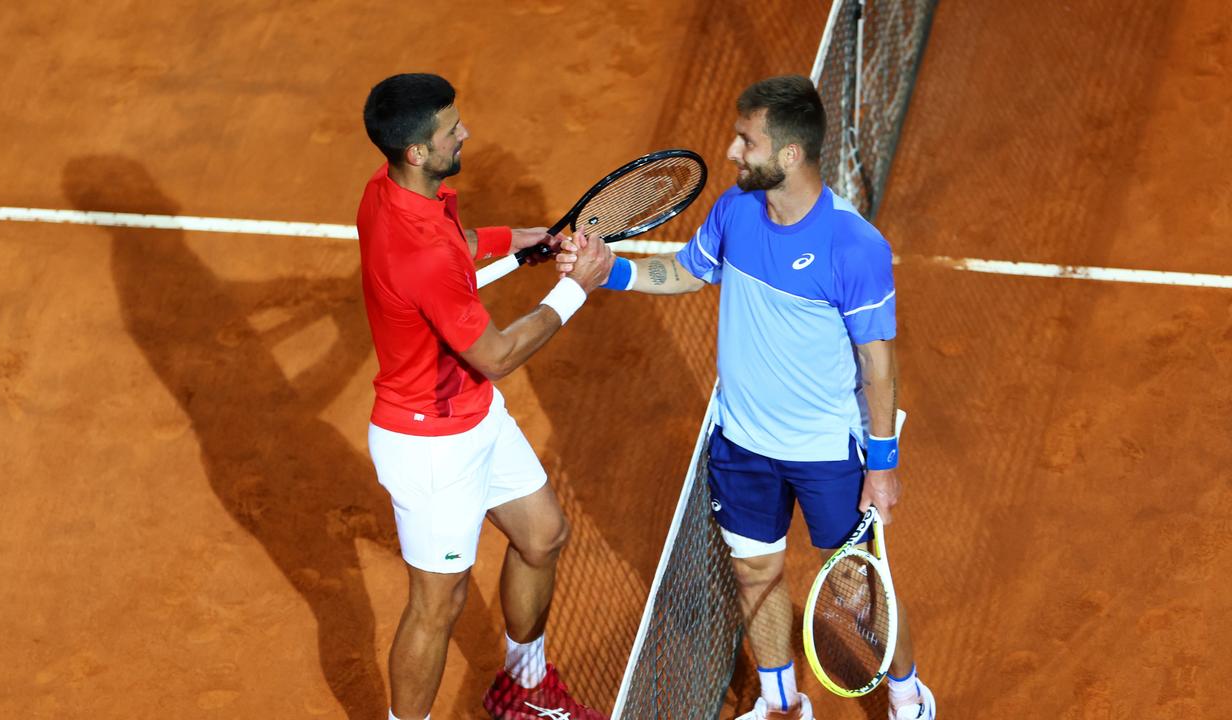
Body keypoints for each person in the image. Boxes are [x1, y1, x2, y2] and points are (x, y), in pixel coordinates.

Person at [567, 74, 936, 719]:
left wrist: (882, 465)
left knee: (857, 592)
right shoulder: (736, 211)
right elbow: (686, 269)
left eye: (747, 141)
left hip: (828, 451)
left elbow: (878, 363)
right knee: (754, 576)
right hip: (743, 444)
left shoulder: (853, 246)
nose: (733, 154)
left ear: (789, 155)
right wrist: (612, 271)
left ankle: (908, 697)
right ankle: (780, 704)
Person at [357, 72, 612, 720]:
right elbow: (497, 355)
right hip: (432, 446)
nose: (464, 132)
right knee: (435, 606)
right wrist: (574, 289)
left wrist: (515, 239)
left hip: (469, 415)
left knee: (543, 536)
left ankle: (521, 689)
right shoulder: (418, 254)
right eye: (451, 130)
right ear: (417, 151)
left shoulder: (389, 193)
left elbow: (455, 246)